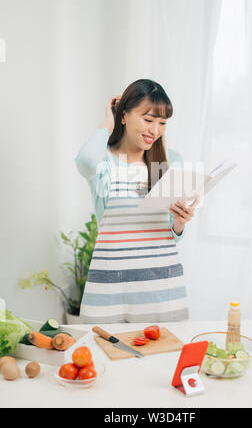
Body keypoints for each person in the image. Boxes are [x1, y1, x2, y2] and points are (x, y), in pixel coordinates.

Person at [75, 79, 200, 323]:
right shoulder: (105, 162)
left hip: (161, 288)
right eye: (148, 119)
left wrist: (179, 224)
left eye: (162, 123)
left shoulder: (170, 162)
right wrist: (108, 121)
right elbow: (86, 160)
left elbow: (169, 233)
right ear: (124, 116)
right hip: (111, 289)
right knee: (103, 357)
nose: (155, 130)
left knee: (164, 357)